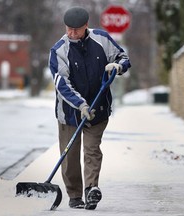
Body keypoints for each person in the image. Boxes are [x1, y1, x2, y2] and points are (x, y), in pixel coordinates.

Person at [48, 6, 131, 210]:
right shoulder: (59, 50)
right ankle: (75, 195)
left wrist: (118, 66)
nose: (72, 33)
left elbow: (123, 57)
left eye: (76, 29)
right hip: (69, 113)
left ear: (86, 25)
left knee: (92, 150)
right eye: (69, 29)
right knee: (70, 155)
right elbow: (62, 84)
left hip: (99, 107)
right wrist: (80, 105)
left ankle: (91, 190)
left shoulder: (101, 39)